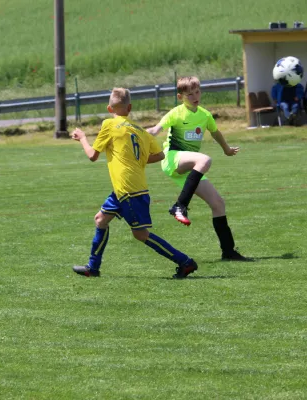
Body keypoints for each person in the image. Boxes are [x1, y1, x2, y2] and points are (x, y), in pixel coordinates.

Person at [71, 87, 198, 279]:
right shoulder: (141, 131)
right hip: (126, 189)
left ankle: (185, 262)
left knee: (140, 234)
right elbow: (160, 155)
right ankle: (93, 267)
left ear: (109, 108)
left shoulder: (109, 124)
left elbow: (92, 156)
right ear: (129, 107)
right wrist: (135, 160)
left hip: (129, 190)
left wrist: (82, 138)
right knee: (100, 219)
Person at [146, 76, 251, 262]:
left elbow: (215, 132)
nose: (195, 96)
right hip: (173, 158)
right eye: (189, 94)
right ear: (180, 97)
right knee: (204, 160)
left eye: (197, 92)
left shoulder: (204, 115)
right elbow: (155, 130)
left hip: (191, 167)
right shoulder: (176, 113)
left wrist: (226, 149)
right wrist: (138, 132)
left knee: (218, 204)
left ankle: (228, 252)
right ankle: (180, 206)